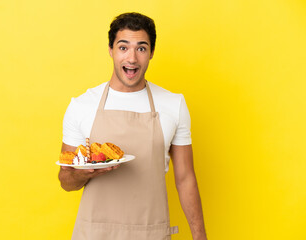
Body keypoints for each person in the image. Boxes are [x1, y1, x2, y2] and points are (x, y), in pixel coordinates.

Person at [58, 12, 207, 240]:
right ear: (110, 50)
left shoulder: (173, 104)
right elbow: (65, 180)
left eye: (141, 48)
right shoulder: (81, 105)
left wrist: (200, 237)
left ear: (151, 53)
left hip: (150, 232)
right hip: (94, 234)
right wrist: (84, 173)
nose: (132, 58)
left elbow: (185, 178)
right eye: (123, 47)